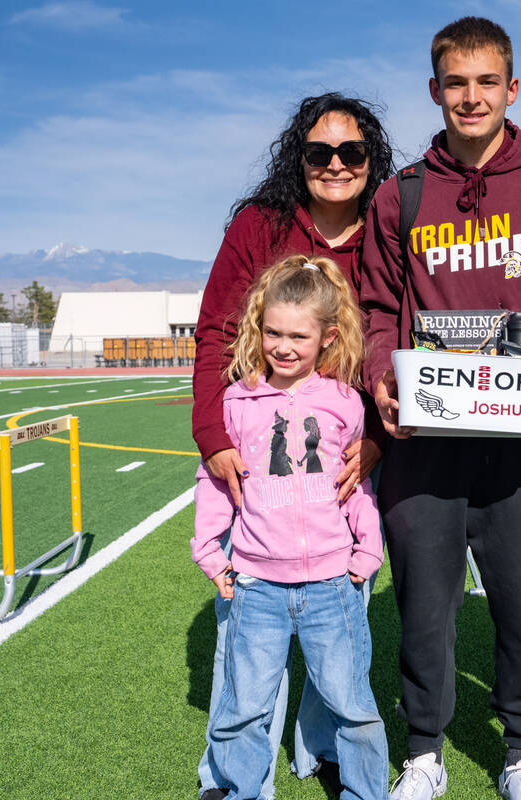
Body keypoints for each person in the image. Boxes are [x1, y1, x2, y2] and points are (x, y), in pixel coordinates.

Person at [358, 16, 521, 800]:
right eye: (455, 82)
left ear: (511, 89)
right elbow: (377, 306)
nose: (471, 96)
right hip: (427, 442)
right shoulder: (402, 195)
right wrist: (379, 374)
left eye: (486, 81)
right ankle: (424, 751)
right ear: (435, 91)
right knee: (424, 606)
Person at [191, 93, 394, 799]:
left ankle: (326, 755)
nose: (335, 164)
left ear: (372, 161)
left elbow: (396, 339)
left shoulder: (389, 223)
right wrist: (214, 437)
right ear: (296, 158)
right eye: (318, 152)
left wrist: (376, 443)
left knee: (342, 650)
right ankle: (230, 778)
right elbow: (217, 329)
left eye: (351, 152)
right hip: (261, 464)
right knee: (245, 650)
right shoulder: (260, 225)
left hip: (347, 458)